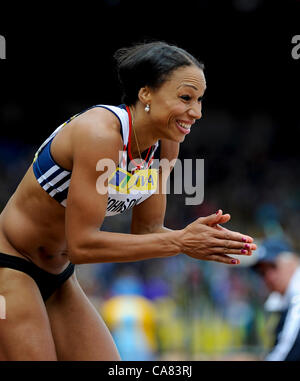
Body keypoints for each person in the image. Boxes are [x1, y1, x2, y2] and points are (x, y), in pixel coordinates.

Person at [0, 41, 256, 361]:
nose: (197, 112)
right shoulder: (100, 134)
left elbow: (147, 231)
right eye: (186, 98)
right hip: (10, 261)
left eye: (200, 100)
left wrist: (201, 241)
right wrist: (180, 241)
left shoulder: (165, 146)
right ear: (146, 93)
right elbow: (83, 245)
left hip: (59, 272)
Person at [252, 237, 300, 361]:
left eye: (273, 266)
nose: (268, 277)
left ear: (292, 262)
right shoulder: (284, 300)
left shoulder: (297, 298)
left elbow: (286, 355)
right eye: (262, 272)